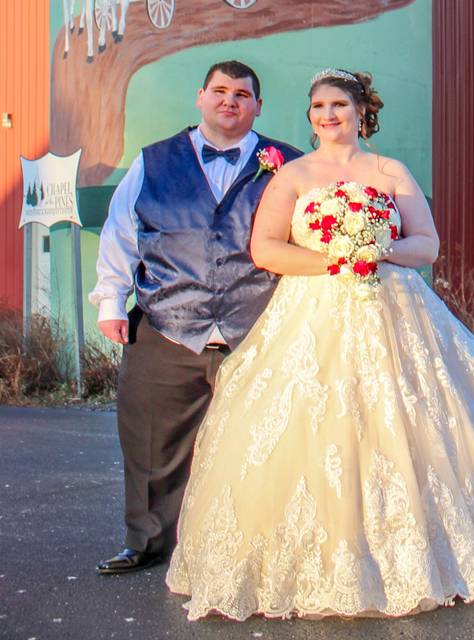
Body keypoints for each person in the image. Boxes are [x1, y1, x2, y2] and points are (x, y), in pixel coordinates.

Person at [165, 68, 474, 620]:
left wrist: (378, 251)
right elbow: (266, 249)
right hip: (312, 315)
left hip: (396, 311)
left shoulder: (388, 171)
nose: (327, 115)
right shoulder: (291, 175)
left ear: (362, 111)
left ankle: (425, 552)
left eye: (339, 104)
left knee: (415, 423)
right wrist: (336, 260)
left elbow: (426, 243)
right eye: (318, 106)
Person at [88, 60, 302, 575]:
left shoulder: (290, 165)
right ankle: (146, 542)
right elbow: (121, 232)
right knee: (151, 441)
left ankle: (255, 550)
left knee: (266, 443)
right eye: (220, 91)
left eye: (242, 94)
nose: (230, 101)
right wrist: (111, 303)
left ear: (258, 106)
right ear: (200, 97)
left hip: (257, 329)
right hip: (166, 326)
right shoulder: (152, 161)